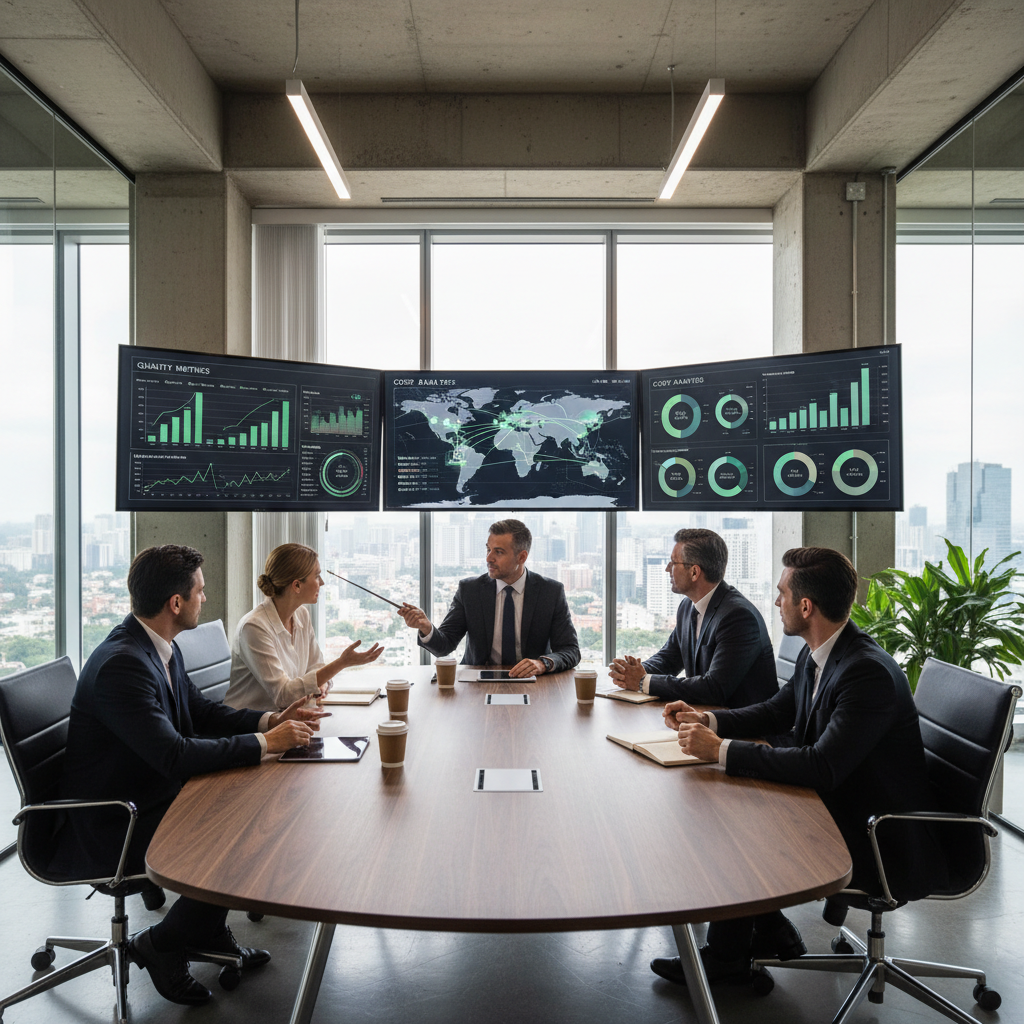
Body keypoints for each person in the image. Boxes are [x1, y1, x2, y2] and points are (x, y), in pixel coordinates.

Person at [649, 546, 949, 987]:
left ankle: (728, 962)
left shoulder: (864, 673)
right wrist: (708, 719)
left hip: (878, 834)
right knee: (730, 805)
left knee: (733, 826)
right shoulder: (823, 651)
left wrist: (720, 751)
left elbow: (822, 766)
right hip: (842, 802)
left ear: (805, 606)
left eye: (782, 593)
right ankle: (770, 932)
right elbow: (775, 711)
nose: (776, 602)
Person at [53, 545, 329, 1006]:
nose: (206, 597)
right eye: (200, 591)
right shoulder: (124, 664)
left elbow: (198, 711)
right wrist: (267, 745)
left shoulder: (156, 645)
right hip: (112, 821)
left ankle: (209, 931)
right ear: (175, 603)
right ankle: (159, 945)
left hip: (149, 794)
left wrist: (268, 723)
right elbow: (175, 755)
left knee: (253, 813)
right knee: (243, 833)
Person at [609, 528, 777, 708]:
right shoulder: (688, 606)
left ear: (695, 572)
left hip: (745, 731)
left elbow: (714, 688)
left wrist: (643, 681)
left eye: (673, 563)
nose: (667, 569)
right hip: (703, 719)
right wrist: (631, 672)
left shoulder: (738, 617)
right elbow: (669, 658)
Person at [398, 518, 580, 678]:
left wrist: (542, 664)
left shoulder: (550, 592)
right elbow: (445, 645)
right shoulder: (470, 590)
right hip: (476, 682)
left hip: (533, 683)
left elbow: (571, 650)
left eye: (498, 552)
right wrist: (426, 627)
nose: (488, 558)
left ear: (521, 556)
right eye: (488, 549)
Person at [224, 542, 383, 712]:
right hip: (249, 727)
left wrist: (321, 684)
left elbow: (315, 666)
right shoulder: (254, 628)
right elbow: (283, 695)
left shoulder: (301, 615)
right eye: (316, 576)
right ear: (297, 585)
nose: (321, 583)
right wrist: (341, 663)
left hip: (287, 719)